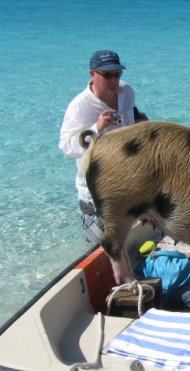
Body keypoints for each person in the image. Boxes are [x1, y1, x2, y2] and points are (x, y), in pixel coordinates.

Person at [59, 50, 148, 245]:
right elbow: (66, 147)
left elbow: (130, 130)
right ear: (93, 74)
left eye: (117, 74)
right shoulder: (80, 106)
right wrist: (96, 129)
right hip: (95, 192)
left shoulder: (127, 92)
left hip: (128, 185)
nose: (114, 80)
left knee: (128, 243)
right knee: (97, 248)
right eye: (107, 75)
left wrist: (141, 126)